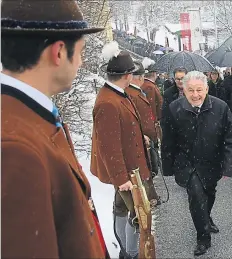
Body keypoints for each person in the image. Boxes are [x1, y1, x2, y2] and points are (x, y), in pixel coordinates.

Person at [1, 0, 109, 258]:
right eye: (81, 52)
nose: (81, 63)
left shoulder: (27, 116)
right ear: (59, 52)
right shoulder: (16, 148)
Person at [161, 71, 232, 256]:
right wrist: (167, 166)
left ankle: (206, 217)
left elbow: (231, 138)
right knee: (196, 196)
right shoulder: (174, 108)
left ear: (206, 89)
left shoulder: (220, 107)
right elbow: (168, 140)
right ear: (184, 91)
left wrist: (228, 165)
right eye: (190, 90)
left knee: (209, 193)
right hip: (187, 162)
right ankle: (203, 237)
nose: (195, 95)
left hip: (212, 161)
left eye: (199, 90)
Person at [91, 42, 153, 259]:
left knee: (122, 208)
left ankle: (126, 251)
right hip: (127, 172)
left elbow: (123, 130)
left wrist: (140, 137)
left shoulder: (115, 95)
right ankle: (132, 253)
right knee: (137, 213)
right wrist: (120, 177)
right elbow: (108, 145)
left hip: (130, 167)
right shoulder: (109, 102)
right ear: (127, 76)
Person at [125, 62, 162, 206]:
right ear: (138, 77)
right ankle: (149, 198)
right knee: (145, 168)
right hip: (142, 138)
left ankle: (151, 196)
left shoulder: (137, 91)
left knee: (149, 167)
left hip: (144, 136)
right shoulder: (132, 94)